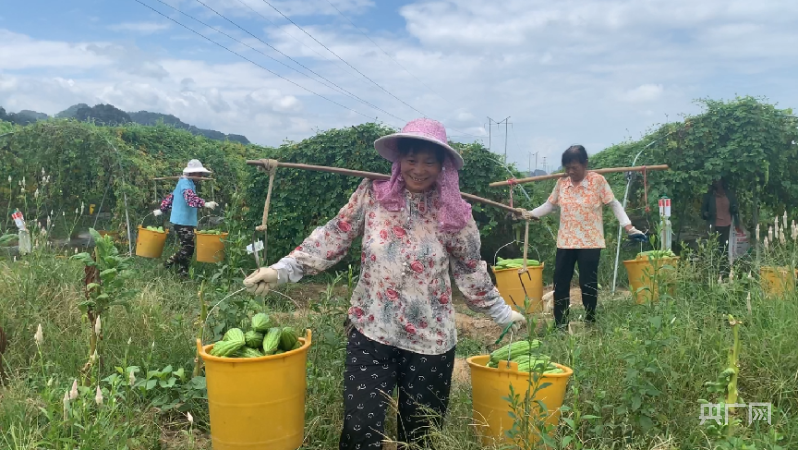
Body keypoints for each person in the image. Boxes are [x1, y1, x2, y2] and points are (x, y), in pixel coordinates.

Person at [243, 118, 526, 449]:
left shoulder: (453, 212)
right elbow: (336, 233)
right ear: (398, 160)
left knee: (419, 437)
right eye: (411, 160)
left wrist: (503, 313)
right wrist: (283, 269)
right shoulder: (372, 192)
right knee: (361, 432)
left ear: (442, 166)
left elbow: (469, 268)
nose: (419, 169)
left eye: (429, 161)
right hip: (371, 330)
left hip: (429, 341)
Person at [526, 145, 645, 330]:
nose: (570, 172)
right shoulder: (562, 183)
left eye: (575, 167)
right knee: (560, 282)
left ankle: (590, 320)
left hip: (590, 242)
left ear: (585, 164)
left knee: (587, 283)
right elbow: (549, 205)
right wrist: (528, 214)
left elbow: (614, 204)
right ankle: (560, 325)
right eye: (567, 168)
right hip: (565, 242)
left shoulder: (598, 181)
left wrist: (628, 226)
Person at [154, 159, 218, 277]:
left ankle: (182, 272)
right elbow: (190, 199)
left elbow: (172, 197)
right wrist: (205, 204)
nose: (201, 176)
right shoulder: (185, 183)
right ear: (192, 174)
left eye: (201, 174)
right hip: (182, 221)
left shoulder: (186, 183)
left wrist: (162, 209)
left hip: (185, 221)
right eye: (199, 174)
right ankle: (168, 263)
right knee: (188, 247)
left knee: (187, 247)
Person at [701, 178, 740, 269]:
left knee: (726, 249)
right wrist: (706, 214)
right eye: (715, 181)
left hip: (728, 226)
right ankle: (715, 270)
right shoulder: (709, 196)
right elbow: (703, 211)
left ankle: (727, 270)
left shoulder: (729, 194)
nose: (717, 183)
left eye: (719, 181)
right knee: (715, 249)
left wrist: (734, 209)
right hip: (715, 226)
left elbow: (735, 207)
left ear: (722, 182)